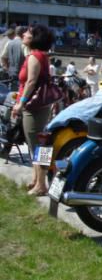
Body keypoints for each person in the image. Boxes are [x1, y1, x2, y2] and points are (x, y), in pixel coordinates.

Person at [11, 25, 54, 196]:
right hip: (39, 106)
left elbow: (31, 82)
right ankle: (37, 180)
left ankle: (41, 185)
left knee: (38, 145)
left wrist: (20, 103)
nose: (24, 34)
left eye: (28, 33)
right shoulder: (41, 55)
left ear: (35, 38)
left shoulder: (34, 56)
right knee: (36, 144)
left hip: (33, 106)